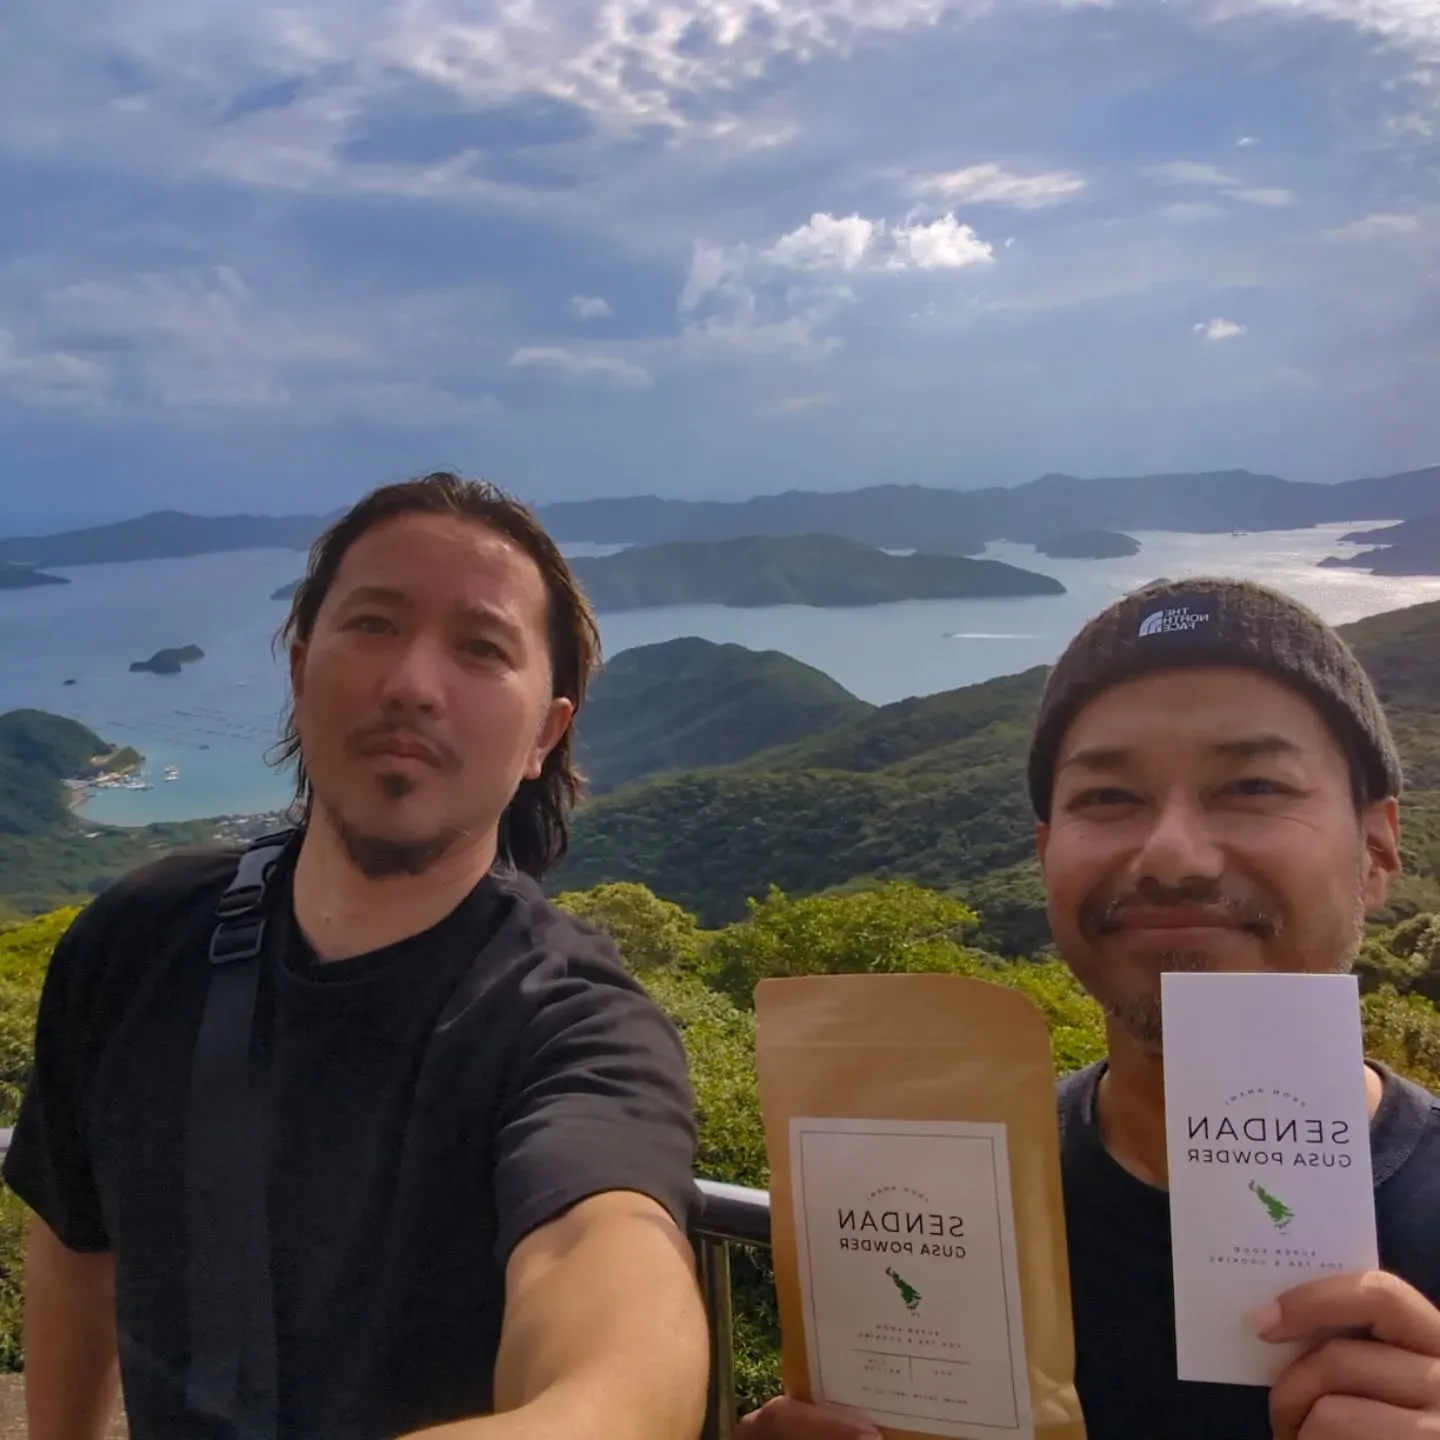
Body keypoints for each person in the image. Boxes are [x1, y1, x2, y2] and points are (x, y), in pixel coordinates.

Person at [4, 472, 710, 1440]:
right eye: (374, 624)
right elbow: (72, 1246)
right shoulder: (132, 944)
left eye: (481, 647)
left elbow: (617, 1328)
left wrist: (612, 1401)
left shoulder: (573, 1028)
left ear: (545, 735)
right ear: (301, 673)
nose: (412, 683)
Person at [740, 577, 1440, 1440]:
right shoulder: (941, 1208)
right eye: (1109, 798)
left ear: (1377, 848)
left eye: (1254, 785)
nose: (1173, 856)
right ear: (1045, 855)